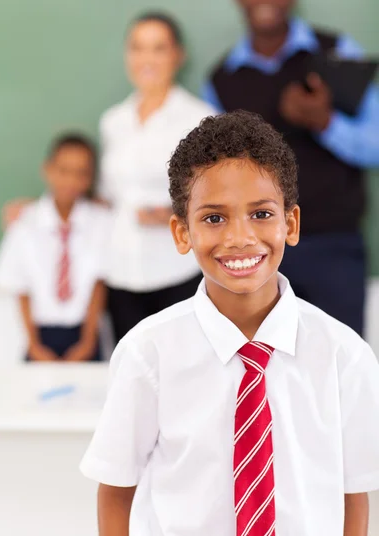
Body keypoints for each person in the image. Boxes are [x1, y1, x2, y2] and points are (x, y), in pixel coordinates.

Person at [80, 111, 379, 535]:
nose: (240, 237)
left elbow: (353, 496)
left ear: (290, 224)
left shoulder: (343, 357)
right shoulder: (148, 353)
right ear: (182, 233)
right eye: (214, 218)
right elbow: (115, 488)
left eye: (260, 214)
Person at [3, 12, 216, 344]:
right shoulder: (114, 121)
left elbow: (217, 196)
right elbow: (105, 196)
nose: (147, 59)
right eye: (137, 48)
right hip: (119, 271)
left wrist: (174, 214)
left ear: (178, 55)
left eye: (158, 48)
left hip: (178, 271)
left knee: (182, 375)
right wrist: (36, 207)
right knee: (132, 378)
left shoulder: (199, 119)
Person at [202, 0, 379, 336]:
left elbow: (375, 144)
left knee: (340, 373)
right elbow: (214, 174)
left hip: (334, 243)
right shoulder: (220, 81)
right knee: (262, 369)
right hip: (256, 252)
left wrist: (325, 122)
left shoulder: (335, 53)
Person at [0, 133, 108, 361]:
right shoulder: (25, 223)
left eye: (81, 173)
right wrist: (33, 345)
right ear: (48, 170)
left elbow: (98, 284)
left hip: (85, 334)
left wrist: (87, 342)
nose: (71, 181)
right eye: (63, 171)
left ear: (90, 178)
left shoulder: (101, 222)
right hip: (39, 335)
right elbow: (21, 288)